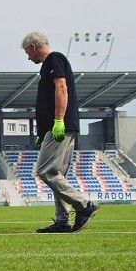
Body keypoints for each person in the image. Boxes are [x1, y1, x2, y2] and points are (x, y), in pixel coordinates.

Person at [22, 31, 98, 233]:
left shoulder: (54, 59)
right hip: (57, 127)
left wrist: (57, 121)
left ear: (33, 47)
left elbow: (61, 88)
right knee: (57, 174)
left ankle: (83, 205)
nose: (28, 58)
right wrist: (42, 130)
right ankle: (62, 222)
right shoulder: (48, 65)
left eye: (27, 53)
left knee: (45, 171)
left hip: (60, 127)